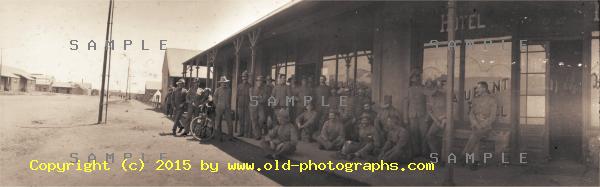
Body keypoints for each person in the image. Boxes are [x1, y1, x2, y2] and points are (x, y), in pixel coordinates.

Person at [463, 81, 498, 170]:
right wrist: (475, 123)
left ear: (484, 88)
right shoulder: (475, 99)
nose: (476, 89)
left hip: (486, 126)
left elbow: (493, 117)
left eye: (478, 88)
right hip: (475, 125)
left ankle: (465, 156)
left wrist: (482, 125)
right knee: (476, 136)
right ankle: (475, 162)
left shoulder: (492, 100)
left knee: (475, 135)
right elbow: (471, 114)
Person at [403, 70, 428, 157]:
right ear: (411, 79)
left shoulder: (424, 88)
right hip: (412, 115)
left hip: (422, 114)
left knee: (424, 133)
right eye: (414, 77)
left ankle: (424, 152)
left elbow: (428, 103)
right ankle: (416, 152)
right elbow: (406, 104)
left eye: (418, 77)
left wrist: (427, 117)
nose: (416, 79)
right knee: (414, 134)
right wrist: (405, 118)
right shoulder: (409, 90)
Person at [205, 76, 234, 142]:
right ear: (220, 83)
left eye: (225, 82)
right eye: (222, 82)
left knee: (230, 122)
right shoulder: (217, 90)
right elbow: (214, 98)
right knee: (218, 123)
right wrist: (217, 105)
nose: (224, 84)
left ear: (226, 83)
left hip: (227, 108)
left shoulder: (229, 90)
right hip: (219, 108)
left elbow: (230, 99)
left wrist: (229, 106)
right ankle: (219, 137)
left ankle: (231, 137)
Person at [425, 76, 447, 157]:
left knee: (446, 137)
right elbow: (430, 111)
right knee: (429, 136)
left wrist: (444, 118)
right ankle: (436, 155)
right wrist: (437, 121)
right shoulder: (429, 97)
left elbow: (451, 109)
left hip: (446, 120)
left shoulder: (444, 95)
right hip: (437, 120)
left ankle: (445, 159)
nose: (431, 94)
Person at [236, 71, 252, 138]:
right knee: (241, 120)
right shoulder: (239, 86)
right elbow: (237, 96)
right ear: (242, 78)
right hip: (240, 105)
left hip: (247, 105)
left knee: (247, 120)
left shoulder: (250, 86)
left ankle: (246, 133)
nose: (244, 78)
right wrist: (237, 105)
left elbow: (251, 96)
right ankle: (241, 132)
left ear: (247, 78)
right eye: (243, 77)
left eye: (245, 77)